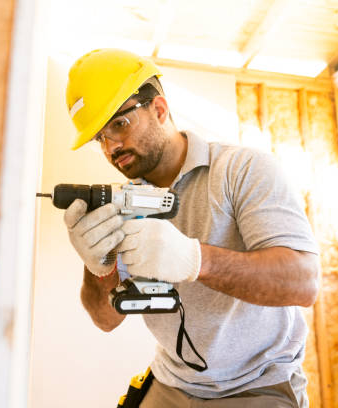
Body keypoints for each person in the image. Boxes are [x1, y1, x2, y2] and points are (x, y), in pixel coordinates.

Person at [62, 48, 320, 408]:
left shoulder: (242, 169)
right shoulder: (125, 203)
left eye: (119, 125)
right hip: (171, 382)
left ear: (160, 109)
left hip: (257, 386)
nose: (111, 147)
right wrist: (98, 267)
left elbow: (304, 283)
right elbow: (105, 319)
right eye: (99, 138)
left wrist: (195, 260)